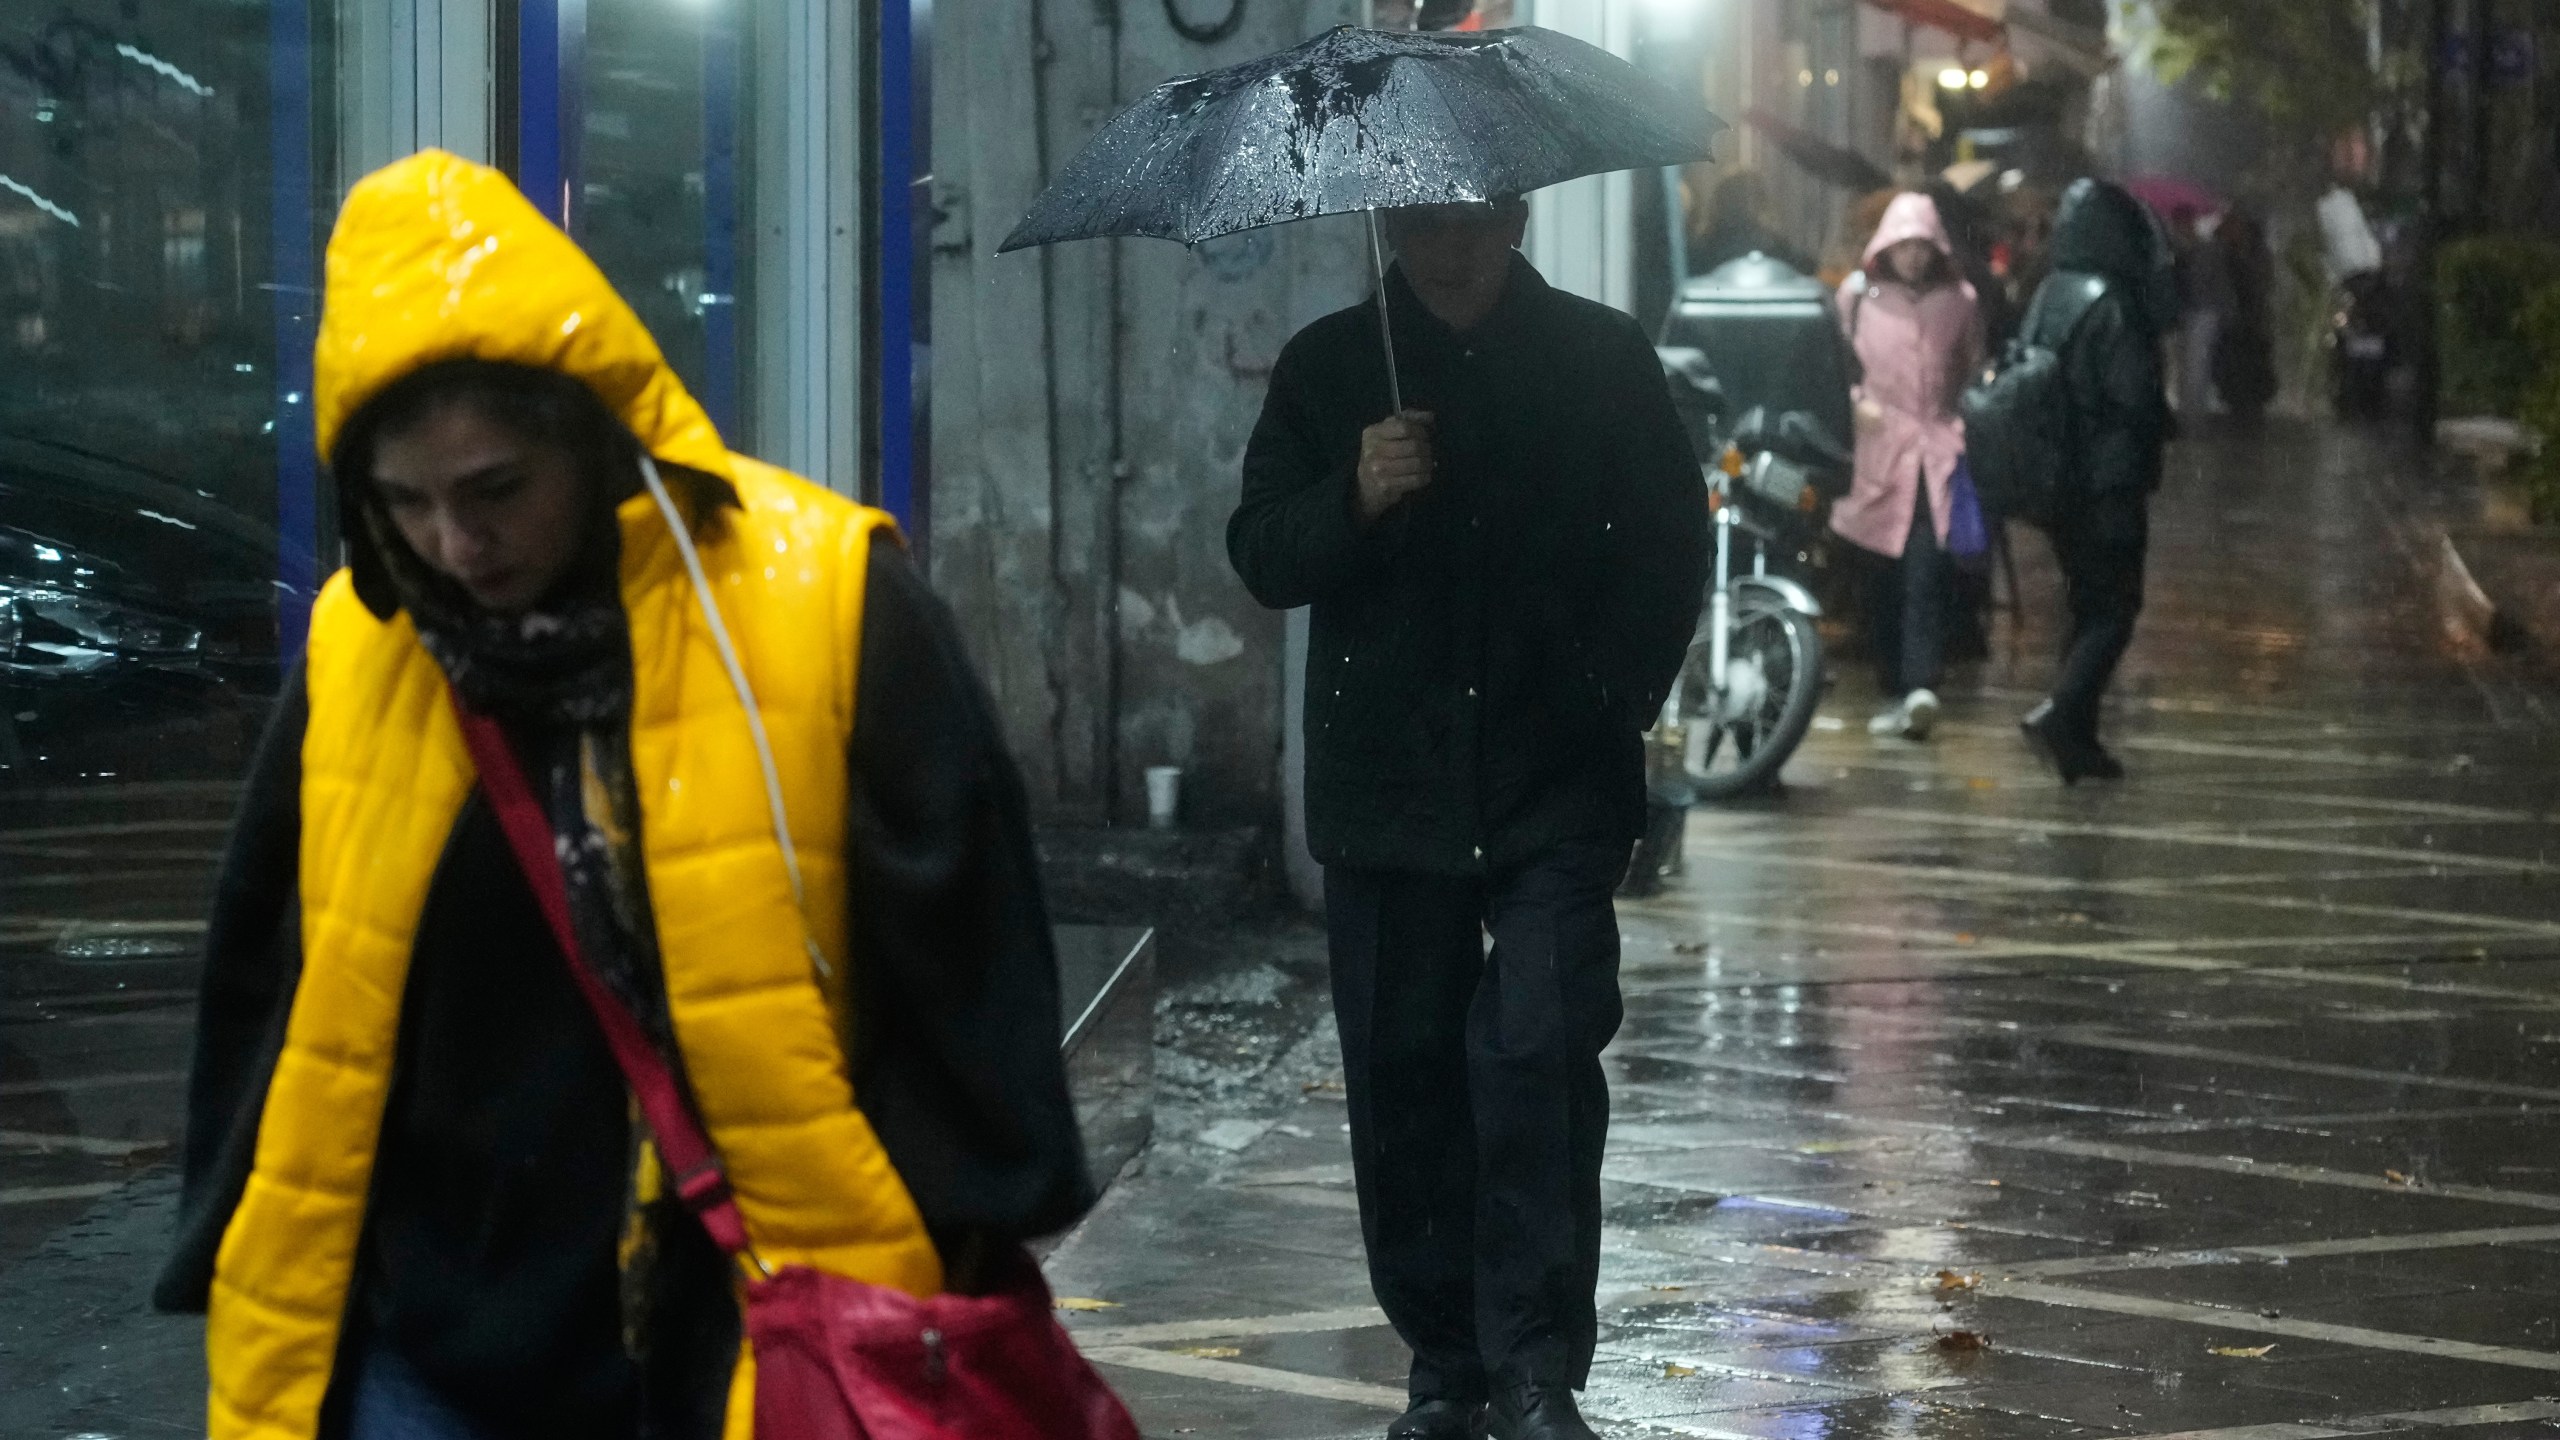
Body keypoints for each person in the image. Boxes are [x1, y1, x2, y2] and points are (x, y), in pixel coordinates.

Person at [153, 151, 1094, 1440]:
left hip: (731, 1349)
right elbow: (276, 988)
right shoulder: (357, 646)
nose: (453, 546)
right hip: (420, 1355)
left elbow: (966, 956)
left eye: (493, 492)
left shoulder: (820, 598)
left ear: (593, 432)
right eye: (404, 505)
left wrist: (953, 1235)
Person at [1227, 197, 1707, 1440]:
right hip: (1389, 789)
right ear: (1390, 226)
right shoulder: (1333, 365)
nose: (1453, 246)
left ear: (1517, 216)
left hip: (1555, 777)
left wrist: (1614, 696)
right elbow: (1264, 553)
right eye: (1428, 225)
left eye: (1476, 223)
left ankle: (1538, 1363)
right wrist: (1356, 492)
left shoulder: (1598, 355)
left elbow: (1668, 542)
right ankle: (1444, 1361)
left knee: (1539, 1059)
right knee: (1406, 1081)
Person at [2016, 177, 2173, 783]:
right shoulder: (2113, 302)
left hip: (2059, 478)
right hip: (2109, 479)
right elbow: (2132, 394)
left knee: (2085, 604)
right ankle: (2062, 712)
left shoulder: (2050, 293)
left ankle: (2078, 740)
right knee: (2115, 607)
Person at [1833, 192, 1982, 741]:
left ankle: (1920, 684)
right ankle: (1894, 682)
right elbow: (1838, 365)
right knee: (1880, 576)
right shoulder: (1855, 297)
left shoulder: (1960, 301)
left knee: (1925, 567)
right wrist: (1856, 403)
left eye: (1923, 247)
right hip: (1877, 454)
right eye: (1904, 246)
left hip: (1938, 453)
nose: (1914, 258)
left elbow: (1972, 369)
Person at [2212, 206, 2278, 425]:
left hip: (2253, 324)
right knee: (2233, 373)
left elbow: (2262, 284)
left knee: (2253, 372)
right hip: (2233, 325)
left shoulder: (2257, 253)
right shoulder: (2223, 254)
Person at [1690, 170, 1816, 277]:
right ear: (1760, 204)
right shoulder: (1773, 246)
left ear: (1718, 203)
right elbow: (1809, 268)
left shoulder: (1700, 250)